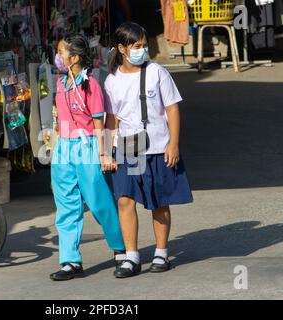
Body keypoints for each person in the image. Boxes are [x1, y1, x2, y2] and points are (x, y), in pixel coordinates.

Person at [104, 22, 194, 278]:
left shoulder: (158, 73)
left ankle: (161, 251)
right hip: (127, 145)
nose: (142, 50)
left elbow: (172, 109)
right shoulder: (112, 80)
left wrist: (173, 143)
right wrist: (105, 149)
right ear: (122, 48)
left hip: (157, 144)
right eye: (137, 46)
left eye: (145, 46)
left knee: (159, 201)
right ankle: (131, 256)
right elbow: (112, 118)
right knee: (124, 199)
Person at [50, 34, 126, 281]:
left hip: (87, 146)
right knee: (66, 206)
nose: (58, 56)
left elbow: (98, 122)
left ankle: (119, 248)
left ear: (74, 58)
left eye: (61, 52)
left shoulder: (91, 84)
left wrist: (104, 152)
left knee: (99, 201)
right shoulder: (61, 83)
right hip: (63, 148)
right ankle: (70, 260)